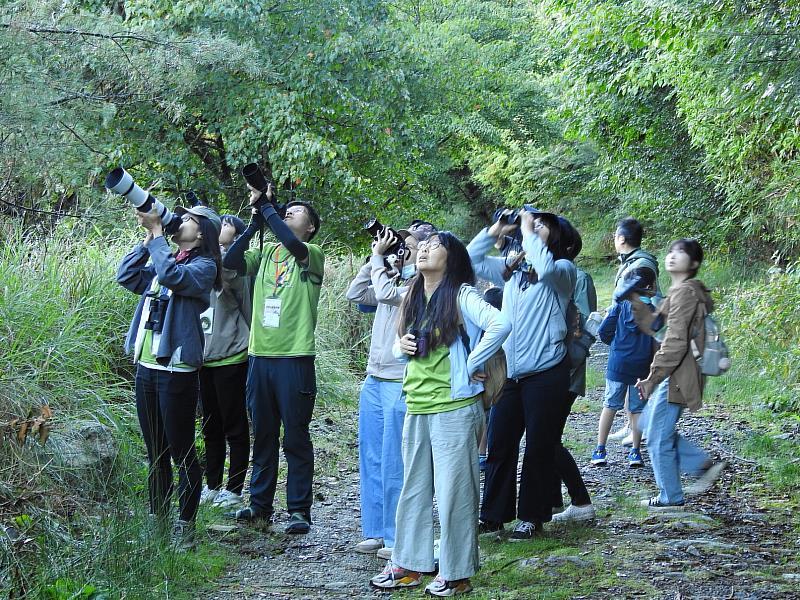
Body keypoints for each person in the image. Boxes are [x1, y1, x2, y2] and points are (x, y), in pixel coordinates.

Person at [369, 232, 510, 596]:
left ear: (453, 257)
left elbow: (500, 325)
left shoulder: (463, 294)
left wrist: (472, 363)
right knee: (413, 490)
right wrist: (401, 347)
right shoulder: (414, 292)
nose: (425, 249)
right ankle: (409, 565)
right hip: (417, 403)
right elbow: (406, 346)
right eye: (424, 245)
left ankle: (456, 572)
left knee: (454, 493)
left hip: (455, 407)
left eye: (435, 245)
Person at [116, 204, 222, 551]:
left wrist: (161, 237)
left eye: (187, 220)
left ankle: (185, 530)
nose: (179, 223)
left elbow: (175, 280)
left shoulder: (203, 267)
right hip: (146, 366)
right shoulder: (168, 259)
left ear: (203, 232)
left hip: (176, 370)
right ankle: (157, 526)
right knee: (155, 452)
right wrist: (149, 239)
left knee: (181, 452)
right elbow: (127, 276)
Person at [468, 206, 576, 540]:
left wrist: (528, 230)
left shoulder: (562, 269)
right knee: (499, 444)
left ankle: (533, 515)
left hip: (546, 370)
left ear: (557, 237)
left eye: (542, 225)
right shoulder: (513, 270)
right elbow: (470, 260)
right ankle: (494, 516)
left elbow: (543, 266)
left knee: (539, 446)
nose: (532, 227)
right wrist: (497, 228)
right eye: (532, 223)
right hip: (511, 374)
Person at [222, 183, 323, 534]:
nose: (289, 213)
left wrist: (267, 207)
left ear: (310, 226)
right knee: (262, 435)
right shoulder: (265, 255)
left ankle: (299, 511)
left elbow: (292, 242)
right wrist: (254, 220)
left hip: (295, 358)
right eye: (286, 210)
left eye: (297, 212)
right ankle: (259, 506)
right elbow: (230, 261)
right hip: (259, 358)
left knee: (294, 436)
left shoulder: (310, 251)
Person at [345, 220, 436, 559]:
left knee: (395, 459)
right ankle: (375, 530)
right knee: (371, 457)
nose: (401, 251)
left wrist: (379, 259)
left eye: (407, 247)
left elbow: (385, 295)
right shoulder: (392, 277)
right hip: (374, 378)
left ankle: (397, 535)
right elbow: (357, 295)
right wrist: (378, 262)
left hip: (401, 379)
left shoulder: (420, 285)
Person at [630, 239, 726, 508]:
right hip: (676, 371)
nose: (672, 256)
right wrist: (635, 300)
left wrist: (653, 377)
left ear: (693, 263)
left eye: (681, 253)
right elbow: (657, 326)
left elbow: (675, 341)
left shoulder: (685, 293)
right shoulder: (678, 292)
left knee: (657, 437)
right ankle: (700, 465)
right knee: (648, 425)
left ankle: (670, 496)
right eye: (670, 251)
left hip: (678, 373)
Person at [198, 215, 251, 510]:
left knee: (234, 425)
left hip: (231, 355)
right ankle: (212, 485)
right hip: (202, 359)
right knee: (210, 426)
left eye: (228, 224)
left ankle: (234, 489)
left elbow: (247, 307)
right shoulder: (198, 264)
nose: (222, 226)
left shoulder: (235, 270)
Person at [551, 218, 596, 523]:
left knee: (548, 438)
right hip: (548, 369)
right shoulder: (542, 275)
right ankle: (552, 501)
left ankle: (581, 501)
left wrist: (564, 364)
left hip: (563, 371)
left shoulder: (577, 277)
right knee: (543, 436)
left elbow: (581, 329)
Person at [591, 268, 656, 469]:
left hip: (618, 364)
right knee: (637, 409)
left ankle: (600, 450)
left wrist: (617, 346)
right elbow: (657, 341)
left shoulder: (619, 307)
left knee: (610, 404)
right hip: (642, 367)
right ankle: (635, 452)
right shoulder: (654, 312)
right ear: (649, 287)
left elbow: (604, 332)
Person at [608, 217, 660, 446]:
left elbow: (647, 295)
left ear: (621, 238)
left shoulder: (642, 263)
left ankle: (641, 428)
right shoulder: (631, 260)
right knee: (633, 380)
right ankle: (631, 425)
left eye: (615, 236)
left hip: (639, 329)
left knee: (638, 380)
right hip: (633, 324)